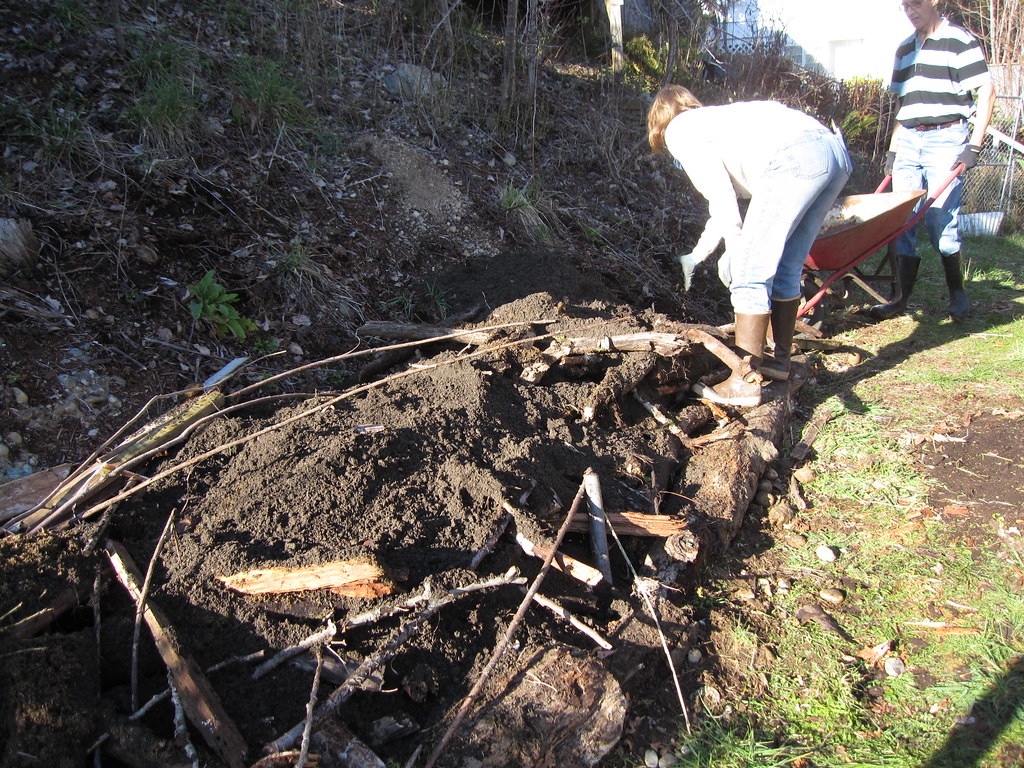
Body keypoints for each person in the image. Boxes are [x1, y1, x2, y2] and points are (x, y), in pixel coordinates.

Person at [647, 86, 851, 407]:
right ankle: (779, 362)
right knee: (786, 267)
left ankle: (744, 382)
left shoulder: (680, 130)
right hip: (832, 151)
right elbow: (722, 208)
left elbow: (723, 201)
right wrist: (703, 253)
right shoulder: (719, 122)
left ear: (659, 125)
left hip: (797, 153)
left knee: (748, 271)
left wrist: (737, 252)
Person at [870, 0, 995, 321]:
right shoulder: (904, 50)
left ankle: (957, 292)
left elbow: (987, 91)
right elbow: (904, 107)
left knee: (940, 218)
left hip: (946, 136)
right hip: (909, 139)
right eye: (905, 6)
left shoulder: (959, 41)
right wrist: (894, 151)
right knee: (900, 218)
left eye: (916, 4)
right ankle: (899, 299)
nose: (910, 11)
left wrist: (975, 145)